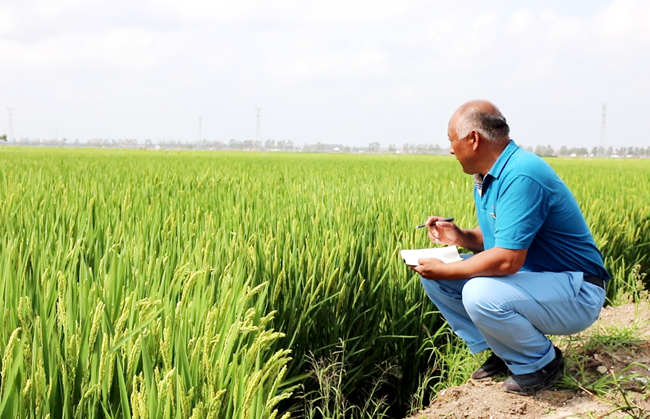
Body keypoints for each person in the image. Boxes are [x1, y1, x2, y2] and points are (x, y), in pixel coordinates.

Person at [412, 100, 609, 395]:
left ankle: (541, 363)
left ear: (473, 139)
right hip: (536, 283)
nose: (451, 150)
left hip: (577, 290)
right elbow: (502, 238)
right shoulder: (489, 176)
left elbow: (507, 260)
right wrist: (461, 236)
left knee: (477, 291)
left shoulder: (521, 175)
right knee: (438, 281)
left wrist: (446, 269)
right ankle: (506, 351)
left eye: (451, 140)